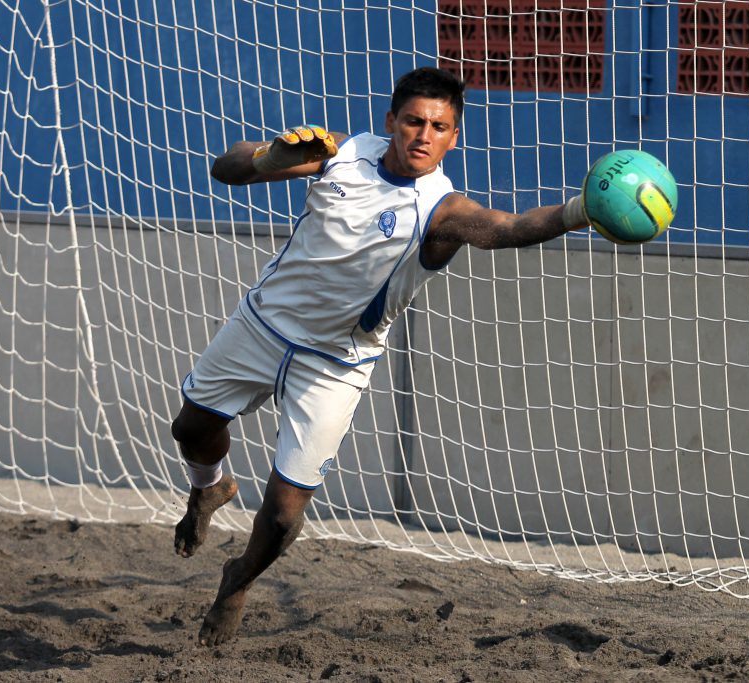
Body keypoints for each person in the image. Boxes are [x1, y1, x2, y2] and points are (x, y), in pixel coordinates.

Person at [170, 66, 590, 646]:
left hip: (335, 364)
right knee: (191, 427)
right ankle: (209, 488)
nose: (424, 135)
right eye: (414, 121)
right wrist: (269, 158)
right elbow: (227, 168)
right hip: (262, 325)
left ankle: (238, 579)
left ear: (454, 137)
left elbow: (509, 227)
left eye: (439, 127)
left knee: (285, 515)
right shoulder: (339, 154)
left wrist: (579, 212)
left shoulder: (442, 210)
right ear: (391, 121)